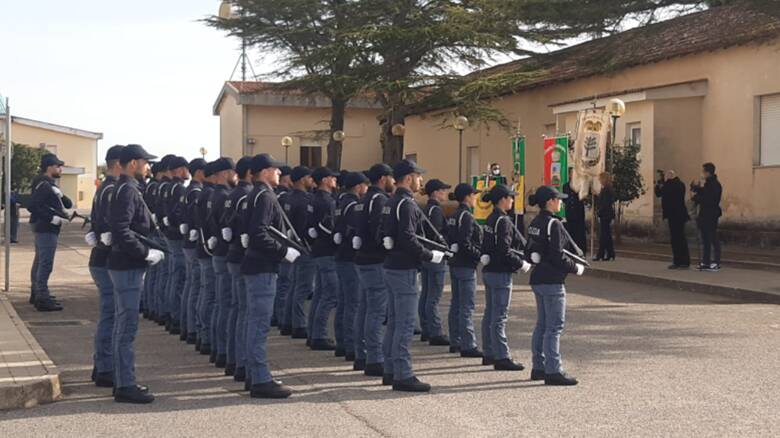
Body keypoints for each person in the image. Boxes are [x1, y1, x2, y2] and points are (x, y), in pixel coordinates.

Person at [381, 159, 446, 392]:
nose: (421, 181)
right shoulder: (406, 204)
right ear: (408, 178)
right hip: (404, 269)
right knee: (405, 323)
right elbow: (408, 238)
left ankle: (390, 369)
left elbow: (387, 234)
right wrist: (429, 255)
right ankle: (403, 374)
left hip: (392, 266)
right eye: (418, 176)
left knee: (395, 322)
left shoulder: (391, 201)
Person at [107, 144, 161, 403]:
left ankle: (123, 381)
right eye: (145, 162)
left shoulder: (127, 188)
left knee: (123, 325)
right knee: (126, 327)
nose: (148, 167)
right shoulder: (128, 190)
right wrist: (144, 252)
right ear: (132, 164)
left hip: (125, 265)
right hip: (127, 265)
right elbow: (121, 229)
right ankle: (125, 384)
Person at [241, 153, 297, 399]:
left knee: (256, 322)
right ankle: (261, 379)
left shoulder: (256, 194)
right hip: (262, 266)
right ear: (265, 172)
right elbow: (259, 234)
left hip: (258, 265)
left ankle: (255, 375)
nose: (280, 174)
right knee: (260, 324)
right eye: (276, 170)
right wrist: (284, 251)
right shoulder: (263, 196)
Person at [526, 185, 584, 386]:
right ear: (550, 201)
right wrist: (575, 268)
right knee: (554, 326)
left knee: (542, 325)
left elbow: (529, 250)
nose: (560, 202)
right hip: (552, 280)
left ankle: (538, 366)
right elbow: (559, 256)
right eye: (558, 199)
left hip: (538, 278)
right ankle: (553, 370)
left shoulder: (535, 222)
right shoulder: (553, 224)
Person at [85, 145, 124, 387]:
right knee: (111, 315)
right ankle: (106, 368)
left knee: (109, 314)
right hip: (106, 260)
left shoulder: (104, 187)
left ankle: (101, 364)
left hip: (101, 258)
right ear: (119, 164)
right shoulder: (112, 189)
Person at [480, 184, 530, 371]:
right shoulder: (504, 221)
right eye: (510, 197)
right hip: (501, 271)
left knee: (490, 313)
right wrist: (520, 263)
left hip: (489, 270)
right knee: (499, 316)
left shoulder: (491, 218)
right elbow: (504, 250)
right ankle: (501, 356)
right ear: (502, 199)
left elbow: (486, 245)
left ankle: (489, 352)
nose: (512, 200)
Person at [354, 163, 394, 377]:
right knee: (376, 311)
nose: (393, 182)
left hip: (363, 258)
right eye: (391, 178)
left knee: (365, 308)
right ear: (383, 178)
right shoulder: (379, 200)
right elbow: (380, 230)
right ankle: (374, 358)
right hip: (375, 260)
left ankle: (361, 354)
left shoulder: (363, 200)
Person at [27, 152, 72, 311]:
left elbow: (67, 203)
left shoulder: (48, 184)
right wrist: (51, 218)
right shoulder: (43, 184)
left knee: (40, 261)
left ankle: (37, 293)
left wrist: (61, 196)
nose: (60, 169)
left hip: (45, 228)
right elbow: (32, 205)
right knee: (45, 263)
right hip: (45, 228)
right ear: (49, 167)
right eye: (58, 166)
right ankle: (42, 297)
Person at [333, 171, 369, 361]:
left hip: (340, 255)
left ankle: (341, 342)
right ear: (358, 186)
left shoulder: (340, 203)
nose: (366, 188)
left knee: (344, 301)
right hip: (350, 257)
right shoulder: (354, 205)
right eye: (364, 185)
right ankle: (350, 345)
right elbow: (356, 230)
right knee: (353, 303)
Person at [206, 158, 237, 369]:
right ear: (225, 174)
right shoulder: (225, 196)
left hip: (216, 251)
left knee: (220, 303)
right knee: (227, 304)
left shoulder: (210, 195)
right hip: (225, 254)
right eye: (233, 173)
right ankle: (225, 351)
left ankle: (218, 350)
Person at [223, 156, 253, 380]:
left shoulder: (232, 194)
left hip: (233, 254)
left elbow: (224, 221)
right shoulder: (248, 195)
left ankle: (234, 360)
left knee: (237, 309)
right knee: (245, 311)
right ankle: (242, 363)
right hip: (243, 256)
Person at [446, 183, 483, 360]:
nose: (475, 198)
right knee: (466, 306)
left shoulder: (453, 215)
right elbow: (466, 243)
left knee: (456, 303)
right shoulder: (467, 216)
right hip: (466, 264)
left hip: (455, 263)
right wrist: (479, 255)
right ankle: (468, 344)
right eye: (474, 195)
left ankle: (456, 340)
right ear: (468, 197)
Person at [308, 167, 341, 351]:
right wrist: (336, 237)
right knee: (330, 294)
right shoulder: (326, 201)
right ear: (325, 180)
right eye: (332, 178)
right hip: (327, 250)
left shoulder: (314, 199)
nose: (335, 181)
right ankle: (319, 335)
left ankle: (314, 332)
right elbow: (326, 225)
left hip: (319, 250)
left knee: (320, 293)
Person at [283, 166, 315, 340]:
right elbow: (304, 226)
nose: (312, 181)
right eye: (309, 177)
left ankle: (288, 322)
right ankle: (299, 324)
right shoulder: (304, 200)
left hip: (293, 245)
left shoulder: (288, 197)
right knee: (303, 287)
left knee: (294, 285)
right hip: (303, 247)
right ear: (302, 179)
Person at [419, 179, 451, 346]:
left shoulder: (427, 209)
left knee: (426, 294)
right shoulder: (436, 210)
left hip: (427, 256)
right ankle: (435, 331)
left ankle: (426, 328)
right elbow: (437, 235)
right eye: (443, 190)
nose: (445, 193)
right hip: (436, 256)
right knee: (434, 296)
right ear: (436, 192)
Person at [161, 156, 190, 336]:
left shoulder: (167, 187)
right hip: (177, 235)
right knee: (178, 278)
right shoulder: (178, 188)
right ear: (179, 170)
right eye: (186, 169)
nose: (188, 172)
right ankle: (175, 316)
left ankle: (169, 314)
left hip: (168, 233)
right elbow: (177, 212)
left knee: (171, 275)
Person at [181, 159, 206, 346]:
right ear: (199, 172)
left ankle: (188, 327)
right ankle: (193, 328)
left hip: (188, 241)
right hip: (194, 243)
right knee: (197, 287)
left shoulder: (188, 189)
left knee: (191, 286)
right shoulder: (196, 191)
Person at [195, 162, 217, 357]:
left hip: (203, 246)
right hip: (209, 249)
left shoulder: (204, 192)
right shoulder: (209, 194)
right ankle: (206, 336)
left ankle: (201, 334)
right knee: (211, 294)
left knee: (204, 291)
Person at [655, 170, 690, 269]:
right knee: (678, 239)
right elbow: (659, 193)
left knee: (678, 239)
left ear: (670, 176)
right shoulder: (678, 184)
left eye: (666, 176)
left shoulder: (674, 185)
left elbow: (664, 192)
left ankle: (680, 261)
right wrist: (659, 185)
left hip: (675, 215)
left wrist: (663, 183)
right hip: (676, 215)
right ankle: (680, 261)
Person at [272, 165, 293, 327]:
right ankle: (280, 317)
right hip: (282, 244)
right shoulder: (285, 197)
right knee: (285, 283)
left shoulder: (274, 195)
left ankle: (277, 315)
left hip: (277, 244)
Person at [691, 162, 723, 272]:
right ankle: (706, 262)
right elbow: (704, 193)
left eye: (703, 171)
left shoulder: (714, 185)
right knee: (706, 239)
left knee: (712, 238)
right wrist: (696, 189)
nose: (702, 174)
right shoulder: (709, 184)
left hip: (710, 215)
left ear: (708, 173)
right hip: (705, 215)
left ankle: (716, 262)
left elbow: (710, 200)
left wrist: (698, 198)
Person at [594, 172, 615, 261]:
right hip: (607, 214)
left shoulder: (606, 190)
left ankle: (601, 254)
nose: (599, 180)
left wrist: (599, 212)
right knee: (606, 235)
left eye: (600, 179)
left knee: (604, 235)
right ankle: (610, 253)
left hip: (605, 215)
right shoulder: (607, 189)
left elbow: (605, 204)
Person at [562, 180, 587, 253]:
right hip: (570, 212)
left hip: (578, 212)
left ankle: (581, 248)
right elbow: (564, 198)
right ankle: (571, 249)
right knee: (571, 231)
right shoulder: (565, 186)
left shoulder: (580, 184)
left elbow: (583, 196)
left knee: (579, 232)